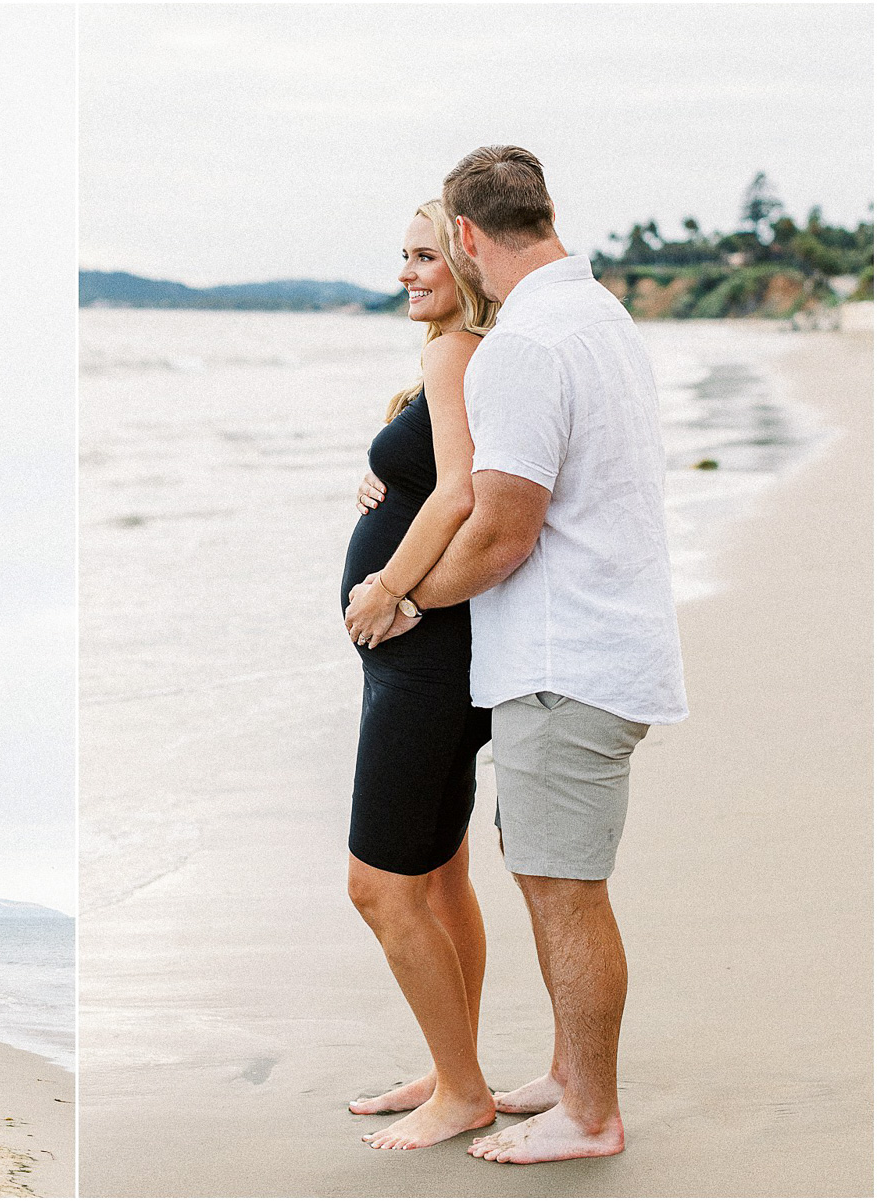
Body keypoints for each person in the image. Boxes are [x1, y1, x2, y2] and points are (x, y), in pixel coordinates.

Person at [368, 145, 688, 1164]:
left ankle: (588, 1112)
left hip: (567, 658)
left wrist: (403, 596)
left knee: (561, 886)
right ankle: (564, 1075)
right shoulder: (594, 316)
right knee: (550, 874)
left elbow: (501, 530)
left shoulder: (526, 346)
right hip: (594, 644)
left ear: (465, 236)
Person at [338, 198, 499, 1151]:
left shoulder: (455, 351)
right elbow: (434, 477)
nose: (407, 271)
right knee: (439, 874)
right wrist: (378, 480)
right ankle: (455, 1070)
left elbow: (460, 491)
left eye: (425, 255)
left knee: (379, 885)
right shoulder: (455, 355)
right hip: (435, 656)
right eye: (400, 255)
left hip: (427, 658)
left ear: (466, 262)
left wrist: (389, 585)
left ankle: (463, 1091)